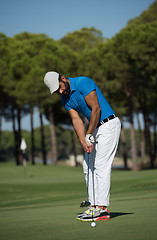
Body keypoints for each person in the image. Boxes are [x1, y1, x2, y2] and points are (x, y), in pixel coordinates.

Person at [44, 71, 121, 221]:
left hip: (108, 124)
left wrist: (89, 134)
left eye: (59, 87)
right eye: (56, 91)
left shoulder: (82, 83)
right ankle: (93, 206)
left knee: (100, 165)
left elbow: (96, 109)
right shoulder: (65, 99)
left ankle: (102, 209)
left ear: (63, 78)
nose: (60, 92)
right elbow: (76, 119)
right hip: (95, 128)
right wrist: (83, 141)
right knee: (87, 167)